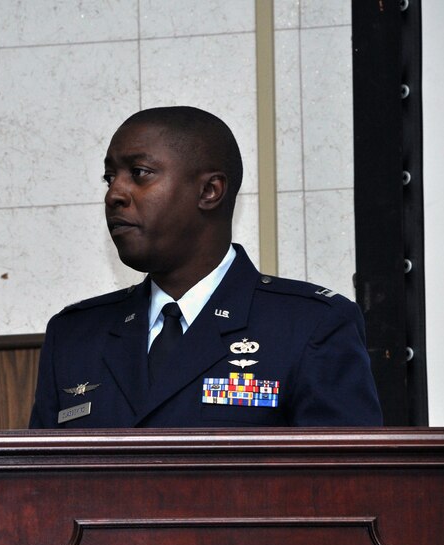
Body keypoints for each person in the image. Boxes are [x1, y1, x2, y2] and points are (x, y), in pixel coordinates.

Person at [29, 106, 382, 428]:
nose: (114, 194)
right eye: (110, 177)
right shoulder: (76, 337)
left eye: (139, 173)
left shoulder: (309, 326)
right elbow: (36, 489)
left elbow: (346, 490)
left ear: (210, 191)